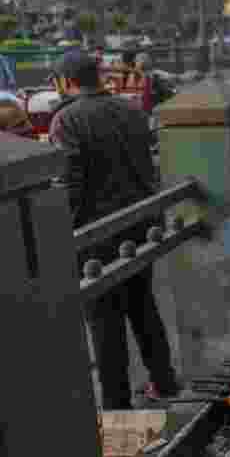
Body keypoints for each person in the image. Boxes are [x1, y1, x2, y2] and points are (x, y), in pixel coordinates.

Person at [48, 50, 180, 408]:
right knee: (142, 305)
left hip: (96, 235)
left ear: (66, 82)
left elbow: (69, 185)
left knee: (105, 323)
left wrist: (64, 234)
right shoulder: (132, 109)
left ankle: (118, 406)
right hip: (141, 224)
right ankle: (165, 382)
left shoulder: (66, 121)